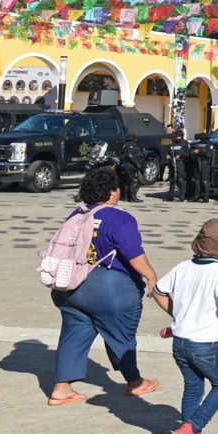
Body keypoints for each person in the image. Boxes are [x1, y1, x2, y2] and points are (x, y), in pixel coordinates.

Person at [47, 168, 160, 406]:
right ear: (112, 192)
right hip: (110, 288)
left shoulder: (77, 214)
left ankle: (62, 388)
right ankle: (135, 382)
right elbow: (132, 252)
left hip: (70, 286)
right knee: (120, 334)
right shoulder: (120, 217)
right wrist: (150, 275)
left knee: (75, 331)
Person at [151, 218, 218, 434]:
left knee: (193, 386)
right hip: (207, 344)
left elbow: (157, 291)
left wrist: (178, 315)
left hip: (180, 342)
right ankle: (191, 430)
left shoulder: (182, 267)